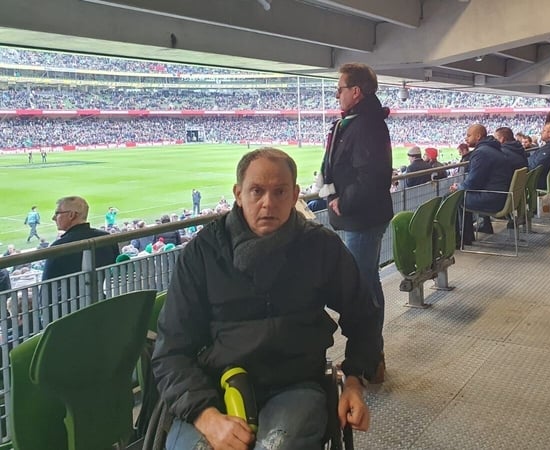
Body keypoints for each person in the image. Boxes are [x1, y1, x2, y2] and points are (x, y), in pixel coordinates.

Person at [151, 148, 381, 450]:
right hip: (211, 388)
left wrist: (353, 381)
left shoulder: (321, 246)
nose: (268, 203)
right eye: (257, 191)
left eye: (280, 192)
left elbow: (364, 316)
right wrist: (206, 417)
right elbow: (170, 351)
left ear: (295, 194)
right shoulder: (202, 252)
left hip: (295, 384)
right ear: (238, 194)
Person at [318, 63, 392, 383]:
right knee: (368, 284)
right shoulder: (359, 122)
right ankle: (373, 357)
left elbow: (371, 176)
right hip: (360, 217)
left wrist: (342, 202)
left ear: (356, 92)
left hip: (361, 218)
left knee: (362, 290)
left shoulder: (365, 126)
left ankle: (368, 361)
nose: (337, 95)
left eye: (340, 89)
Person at [449, 124, 514, 243]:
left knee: (453, 197)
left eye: (469, 135)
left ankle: (460, 240)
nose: (466, 138)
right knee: (459, 194)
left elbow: (472, 183)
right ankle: (466, 236)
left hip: (493, 199)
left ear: (478, 136)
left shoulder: (481, 153)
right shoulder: (495, 149)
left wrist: (458, 186)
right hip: (501, 196)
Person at [42, 196, 120, 281]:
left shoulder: (58, 247)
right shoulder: (107, 238)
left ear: (71, 215)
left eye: (57, 213)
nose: (53, 218)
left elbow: (46, 286)